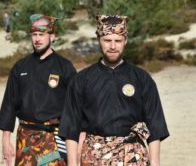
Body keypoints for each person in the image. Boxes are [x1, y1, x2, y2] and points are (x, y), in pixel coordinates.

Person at [59, 15, 169, 166]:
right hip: (93, 157)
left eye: (118, 41)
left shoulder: (142, 78)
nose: (112, 46)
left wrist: (155, 162)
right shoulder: (81, 80)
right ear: (99, 40)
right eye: (107, 40)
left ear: (125, 41)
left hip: (133, 157)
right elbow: (70, 128)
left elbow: (155, 125)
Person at [0, 14, 77, 166]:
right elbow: (9, 104)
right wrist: (5, 141)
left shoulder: (65, 67)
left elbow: (76, 107)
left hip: (54, 139)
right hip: (25, 139)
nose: (37, 39)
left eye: (41, 34)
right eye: (34, 35)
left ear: (52, 37)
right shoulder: (20, 67)